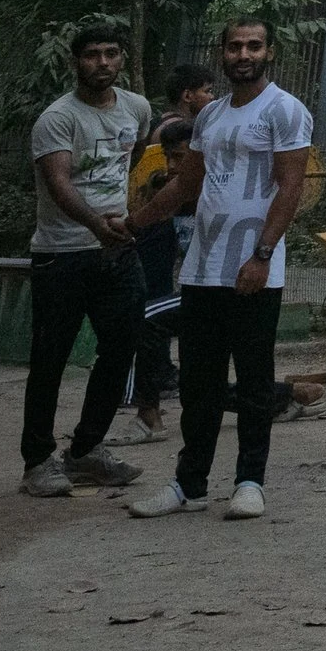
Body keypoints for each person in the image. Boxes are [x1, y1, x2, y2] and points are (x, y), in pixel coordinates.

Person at [119, 17, 315, 523]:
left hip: (254, 268)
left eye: (253, 45)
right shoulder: (209, 117)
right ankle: (189, 485)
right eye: (234, 46)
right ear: (223, 54)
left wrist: (263, 254)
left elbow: (290, 187)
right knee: (198, 385)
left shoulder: (285, 110)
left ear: (269, 51)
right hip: (204, 267)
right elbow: (186, 186)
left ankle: (250, 483)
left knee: (252, 380)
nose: (243, 54)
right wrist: (131, 224)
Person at [19, 22, 152, 498]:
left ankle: (85, 452)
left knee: (121, 348)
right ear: (76, 61)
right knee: (50, 359)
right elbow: (59, 185)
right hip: (62, 255)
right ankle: (37, 461)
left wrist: (117, 222)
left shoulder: (137, 107)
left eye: (111, 53)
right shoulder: (57, 118)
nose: (103, 63)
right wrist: (99, 224)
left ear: (121, 59)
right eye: (92, 54)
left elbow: (126, 162)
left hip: (117, 254)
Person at [113, 114, 199, 447]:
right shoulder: (170, 196)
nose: (171, 165)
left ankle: (146, 415)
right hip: (196, 291)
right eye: (167, 157)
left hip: (227, 290)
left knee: (146, 318)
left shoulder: (218, 191)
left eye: (179, 157)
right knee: (201, 388)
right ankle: (287, 398)